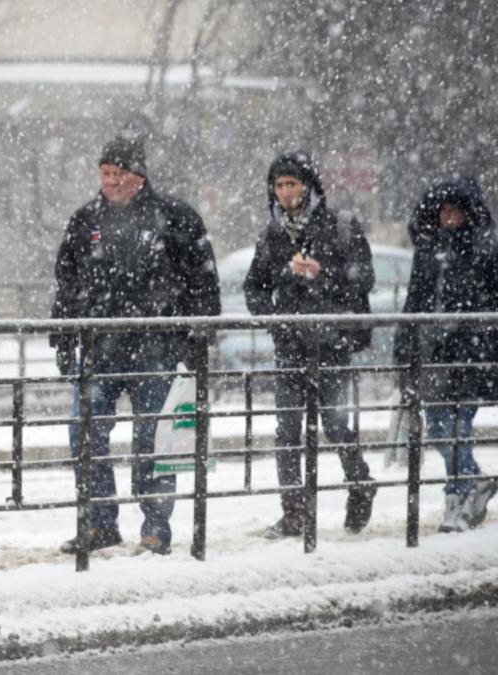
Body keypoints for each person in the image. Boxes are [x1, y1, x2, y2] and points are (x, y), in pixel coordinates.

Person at [50, 136, 220, 556]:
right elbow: (67, 283)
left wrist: (198, 333)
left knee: (153, 437)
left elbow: (203, 280)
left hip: (155, 349)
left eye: (118, 174)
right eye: (104, 174)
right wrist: (63, 335)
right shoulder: (84, 221)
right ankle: (99, 522)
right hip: (100, 348)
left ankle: (156, 527)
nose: (109, 182)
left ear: (138, 177)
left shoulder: (176, 218)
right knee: (84, 432)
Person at [244, 149, 378, 539]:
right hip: (289, 345)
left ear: (308, 186)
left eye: (292, 183)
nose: (285, 192)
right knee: (287, 430)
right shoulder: (272, 234)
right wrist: (272, 317)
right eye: (279, 185)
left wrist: (324, 273)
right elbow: (253, 287)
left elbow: (364, 276)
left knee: (335, 422)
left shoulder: (340, 226)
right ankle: (294, 511)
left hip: (331, 343)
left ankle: (360, 484)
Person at [395, 176, 498, 532]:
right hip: (435, 352)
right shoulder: (428, 253)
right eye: (442, 210)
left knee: (458, 425)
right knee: (439, 428)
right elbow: (414, 302)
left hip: (471, 352)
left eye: (454, 209)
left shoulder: (486, 251)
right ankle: (474, 480)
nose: (448, 216)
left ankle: (456, 498)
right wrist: (403, 346)